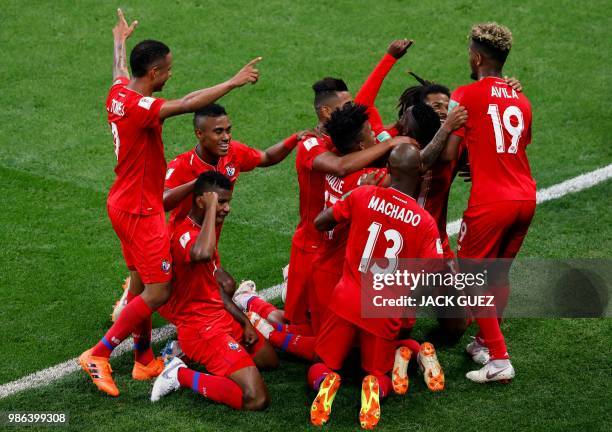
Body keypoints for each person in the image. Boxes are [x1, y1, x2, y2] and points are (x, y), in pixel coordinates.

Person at [79, 9, 262, 397]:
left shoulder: (118, 93)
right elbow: (189, 102)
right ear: (155, 73)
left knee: (140, 281)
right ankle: (99, 354)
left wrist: (119, 40)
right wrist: (232, 82)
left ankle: (144, 359)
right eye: (168, 70)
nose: (170, 75)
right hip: (142, 209)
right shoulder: (141, 107)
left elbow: (117, 70)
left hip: (122, 202)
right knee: (159, 290)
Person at [112, 103, 303, 323]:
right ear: (199, 134)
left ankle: (145, 292)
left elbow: (267, 157)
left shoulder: (232, 154)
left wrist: (295, 139)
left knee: (224, 289)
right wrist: (198, 183)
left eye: (228, 130)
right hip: (183, 247)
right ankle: (138, 299)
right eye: (218, 131)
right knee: (195, 302)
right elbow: (161, 201)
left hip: (207, 243)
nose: (226, 137)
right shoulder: (182, 165)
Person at [308, 143, 447, 429]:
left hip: (346, 299)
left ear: (387, 170)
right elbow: (434, 275)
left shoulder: (362, 195)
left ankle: (326, 380)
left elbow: (321, 223)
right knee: (378, 371)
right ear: (420, 173)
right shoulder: (425, 222)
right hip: (384, 312)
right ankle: (374, 385)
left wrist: (347, 196)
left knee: (322, 362)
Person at [442, 22, 536, 383]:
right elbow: (512, 145)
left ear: (478, 57)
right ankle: (484, 340)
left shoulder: (466, 94)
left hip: (490, 201)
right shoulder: (522, 99)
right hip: (525, 195)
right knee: (498, 273)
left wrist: (450, 128)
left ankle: (498, 359)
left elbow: (451, 152)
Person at [151, 172, 278, 410]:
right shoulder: (185, 235)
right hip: (201, 329)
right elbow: (203, 254)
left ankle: (194, 355)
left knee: (270, 361)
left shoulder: (203, 233)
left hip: (219, 316)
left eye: (228, 201)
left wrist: (244, 322)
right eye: (221, 202)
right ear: (202, 201)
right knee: (256, 399)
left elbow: (215, 290)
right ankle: (179, 375)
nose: (227, 208)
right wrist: (211, 210)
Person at [284, 78, 401, 326]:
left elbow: (374, 140)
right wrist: (390, 142)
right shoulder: (311, 144)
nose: (352, 108)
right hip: (311, 247)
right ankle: (251, 304)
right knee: (296, 324)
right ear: (326, 111)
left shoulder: (348, 142)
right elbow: (339, 167)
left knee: (334, 325)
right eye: (346, 104)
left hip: (340, 250)